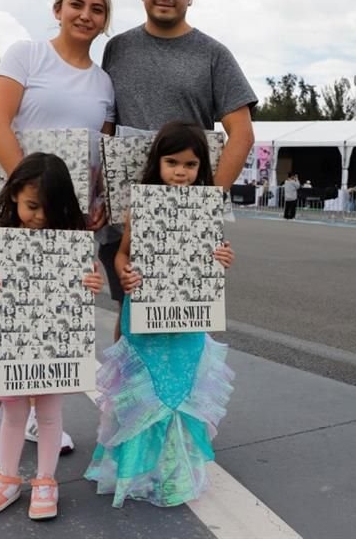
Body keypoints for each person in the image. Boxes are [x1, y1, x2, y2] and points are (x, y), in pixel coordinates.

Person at [0, 0, 116, 470]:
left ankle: (38, 415)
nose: (86, 15)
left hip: (69, 220)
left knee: (53, 315)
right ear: (57, 9)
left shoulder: (104, 83)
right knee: (5, 315)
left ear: (104, 20)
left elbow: (101, 152)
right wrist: (28, 192)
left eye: (97, 9)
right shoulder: (26, 55)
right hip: (23, 208)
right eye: (77, 4)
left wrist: (97, 200)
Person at [97, 0, 256, 342]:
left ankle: (179, 385)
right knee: (129, 308)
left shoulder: (214, 55)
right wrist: (98, 191)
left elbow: (242, 133)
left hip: (187, 208)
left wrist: (206, 203)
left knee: (180, 317)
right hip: (128, 205)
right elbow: (107, 125)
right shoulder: (117, 48)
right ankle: (128, 385)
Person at [85, 121, 235, 508]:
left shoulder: (206, 208)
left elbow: (215, 256)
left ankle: (176, 471)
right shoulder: (141, 206)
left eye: (190, 164)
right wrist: (124, 273)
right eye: (172, 163)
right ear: (158, 163)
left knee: (182, 387)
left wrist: (222, 257)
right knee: (145, 388)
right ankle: (137, 471)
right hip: (145, 314)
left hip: (187, 319)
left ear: (201, 167)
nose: (181, 172)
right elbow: (122, 254)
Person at [0, 153, 105, 520]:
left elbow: (90, 280)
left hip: (54, 341)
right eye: (32, 206)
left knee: (49, 413)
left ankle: (45, 480)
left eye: (49, 208)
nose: (40, 216)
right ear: (15, 193)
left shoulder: (72, 243)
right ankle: (6, 477)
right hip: (11, 339)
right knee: (14, 411)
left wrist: (92, 283)